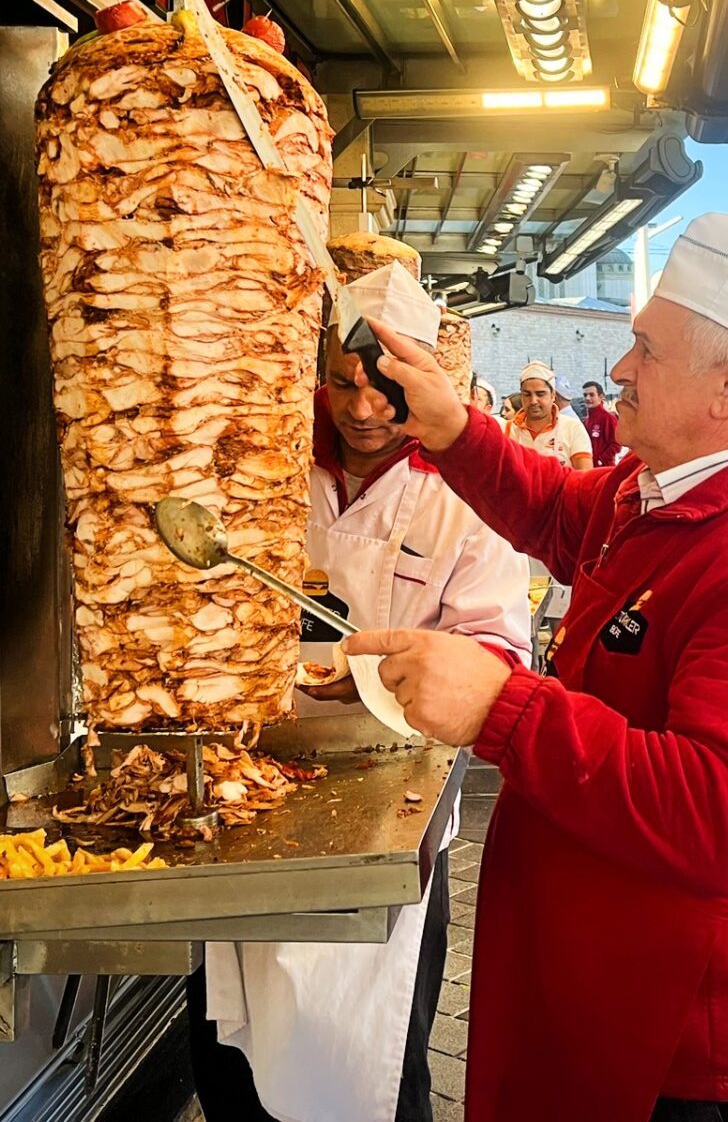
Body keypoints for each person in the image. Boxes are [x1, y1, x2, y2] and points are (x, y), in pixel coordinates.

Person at [345, 213, 728, 1120]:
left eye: (645, 350)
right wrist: (450, 428)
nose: (620, 369)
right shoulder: (659, 488)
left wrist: (501, 707)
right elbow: (555, 511)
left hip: (696, 1043)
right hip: (617, 992)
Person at [191, 274, 530, 1122]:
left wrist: (376, 677)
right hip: (252, 788)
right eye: (343, 382)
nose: (364, 407)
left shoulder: (467, 490)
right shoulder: (265, 459)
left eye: (386, 386)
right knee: (233, 1058)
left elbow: (496, 651)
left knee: (371, 1062)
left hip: (395, 801)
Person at [508, 362, 593, 469]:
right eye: (527, 394)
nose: (533, 401)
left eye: (540, 394)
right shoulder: (508, 430)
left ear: (553, 395)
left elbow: (585, 475)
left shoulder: (572, 427)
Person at [580, 382, 622, 467]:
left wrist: (600, 460)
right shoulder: (585, 421)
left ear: (601, 396)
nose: (587, 398)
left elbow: (617, 444)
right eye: (585, 395)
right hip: (590, 468)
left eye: (592, 395)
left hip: (605, 469)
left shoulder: (608, 418)